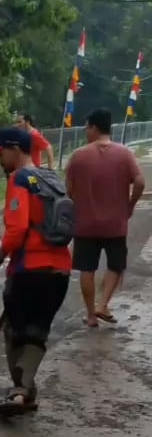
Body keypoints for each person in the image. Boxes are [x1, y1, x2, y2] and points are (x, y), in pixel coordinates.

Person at [0, 128, 72, 417]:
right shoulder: (51, 178)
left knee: (16, 332)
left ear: (15, 150)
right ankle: (26, 392)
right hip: (60, 271)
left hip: (29, 270)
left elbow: (17, 228)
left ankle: (20, 391)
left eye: (0, 153)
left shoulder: (19, 179)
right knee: (37, 333)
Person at [65, 108, 145, 327]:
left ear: (93, 127)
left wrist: (82, 200)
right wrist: (129, 206)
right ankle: (102, 304)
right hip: (115, 224)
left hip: (85, 224)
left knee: (87, 268)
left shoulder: (78, 156)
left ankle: (91, 315)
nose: (85, 132)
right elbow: (140, 182)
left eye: (86, 128)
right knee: (116, 265)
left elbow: (69, 190)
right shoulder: (124, 154)